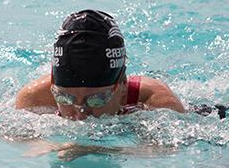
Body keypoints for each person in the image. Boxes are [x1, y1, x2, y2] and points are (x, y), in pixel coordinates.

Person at [15, 9, 185, 120]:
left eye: (96, 100)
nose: (81, 115)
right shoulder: (33, 99)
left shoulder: (158, 103)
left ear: (123, 85)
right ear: (53, 84)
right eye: (65, 98)